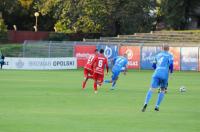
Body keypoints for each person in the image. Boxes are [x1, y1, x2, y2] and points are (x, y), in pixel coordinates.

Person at [141, 44, 174, 112]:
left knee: (151, 89)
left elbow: (153, 65)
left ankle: (145, 103)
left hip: (156, 73)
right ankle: (157, 106)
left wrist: (157, 70)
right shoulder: (170, 55)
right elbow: (171, 65)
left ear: (162, 48)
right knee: (162, 90)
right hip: (164, 74)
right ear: (168, 49)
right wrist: (171, 73)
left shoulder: (158, 55)